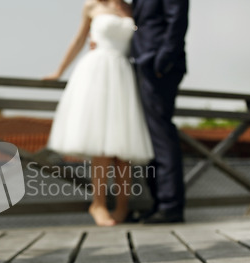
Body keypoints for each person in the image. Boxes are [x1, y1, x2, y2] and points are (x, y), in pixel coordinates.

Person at [44, 0, 154, 226]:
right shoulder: (91, 6)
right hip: (97, 73)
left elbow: (143, 41)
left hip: (124, 75)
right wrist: (59, 71)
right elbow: (78, 40)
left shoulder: (132, 9)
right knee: (101, 147)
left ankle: (122, 207)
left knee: (124, 150)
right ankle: (99, 204)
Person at [132, 0, 189, 223]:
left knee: (161, 135)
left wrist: (162, 62)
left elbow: (178, 20)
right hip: (142, 64)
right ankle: (158, 202)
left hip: (158, 65)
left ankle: (170, 205)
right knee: (151, 137)